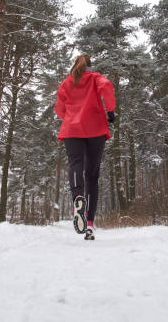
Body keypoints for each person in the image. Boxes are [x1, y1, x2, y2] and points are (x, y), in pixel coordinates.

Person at [55, 54, 115, 241]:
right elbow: (107, 86)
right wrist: (110, 110)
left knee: (75, 164)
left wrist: (70, 116)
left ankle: (77, 199)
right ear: (90, 66)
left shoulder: (67, 83)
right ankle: (89, 222)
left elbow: (59, 109)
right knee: (92, 175)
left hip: (72, 129)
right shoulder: (96, 77)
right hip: (95, 128)